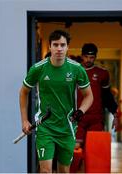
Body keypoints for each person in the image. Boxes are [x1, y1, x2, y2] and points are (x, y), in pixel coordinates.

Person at [19, 30, 93, 173]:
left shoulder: (77, 69)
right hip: (45, 127)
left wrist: (81, 111)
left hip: (67, 128)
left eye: (62, 45)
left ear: (67, 47)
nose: (59, 48)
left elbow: (89, 96)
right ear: (50, 46)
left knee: (63, 170)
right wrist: (24, 120)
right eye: (56, 45)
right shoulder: (38, 69)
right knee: (46, 170)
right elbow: (23, 92)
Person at [70, 43, 122, 172]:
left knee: (94, 152)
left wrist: (115, 114)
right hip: (78, 118)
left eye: (92, 57)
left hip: (96, 118)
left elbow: (107, 96)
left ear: (95, 57)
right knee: (75, 149)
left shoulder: (102, 73)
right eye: (86, 57)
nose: (89, 60)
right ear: (82, 56)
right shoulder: (73, 72)